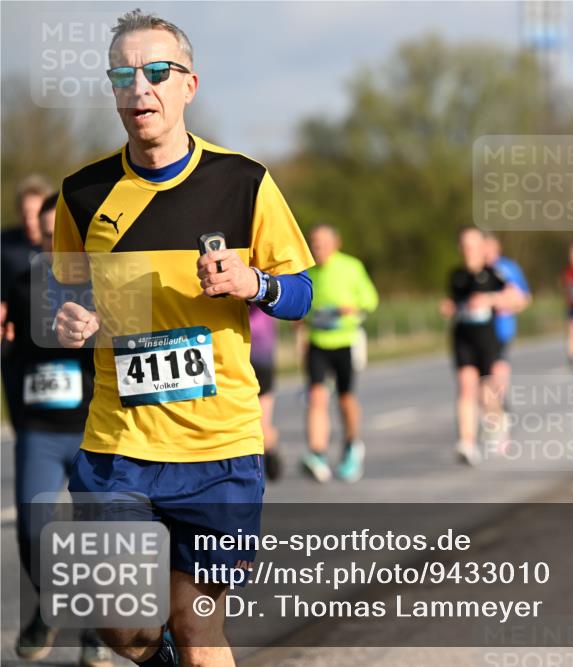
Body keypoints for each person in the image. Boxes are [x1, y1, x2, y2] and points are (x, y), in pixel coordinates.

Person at [52, 10, 313, 666]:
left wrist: (254, 282)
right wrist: (68, 320)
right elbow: (64, 298)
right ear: (113, 91)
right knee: (121, 625)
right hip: (119, 445)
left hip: (218, 447)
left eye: (156, 72)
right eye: (123, 75)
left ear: (188, 85)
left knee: (198, 630)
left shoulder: (243, 181)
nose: (140, 88)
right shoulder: (82, 195)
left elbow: (303, 295)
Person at [8, 193, 112, 666]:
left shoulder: (107, 286)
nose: (56, 242)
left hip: (96, 426)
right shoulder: (20, 280)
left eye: (63, 234)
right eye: (48, 234)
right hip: (40, 429)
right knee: (33, 530)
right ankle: (50, 605)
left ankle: (100, 631)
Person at [300, 225, 379, 483]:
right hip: (317, 342)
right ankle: (317, 453)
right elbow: (300, 308)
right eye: (314, 243)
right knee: (316, 397)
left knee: (345, 399)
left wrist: (351, 308)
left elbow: (371, 299)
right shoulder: (308, 272)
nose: (317, 248)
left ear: (336, 243)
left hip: (346, 341)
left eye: (322, 243)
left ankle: (351, 446)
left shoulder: (351, 266)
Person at [440, 227, 521, 465]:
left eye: (473, 246)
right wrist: (449, 307)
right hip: (463, 336)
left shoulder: (494, 273)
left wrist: (490, 299)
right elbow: (454, 302)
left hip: (487, 337)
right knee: (466, 386)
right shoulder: (456, 275)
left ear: (482, 248)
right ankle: (467, 443)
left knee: (488, 391)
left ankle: (498, 423)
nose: (468, 252)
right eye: (464, 247)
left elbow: (517, 299)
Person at [2, 175, 52, 432]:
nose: (30, 221)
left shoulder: (66, 245)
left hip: (59, 338)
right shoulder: (6, 246)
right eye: (24, 213)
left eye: (35, 213)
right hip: (18, 343)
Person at [483, 232, 531, 413]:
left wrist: (504, 303)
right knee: (485, 373)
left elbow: (524, 297)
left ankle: (500, 401)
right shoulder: (476, 270)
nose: (486, 252)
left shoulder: (507, 269)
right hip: (479, 330)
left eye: (489, 247)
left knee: (498, 366)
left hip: (501, 326)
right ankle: (491, 407)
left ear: (497, 248)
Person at [249, 304, 282, 480]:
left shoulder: (259, 282)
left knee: (262, 420)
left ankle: (269, 451)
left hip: (261, 358)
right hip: (241, 357)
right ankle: (270, 451)